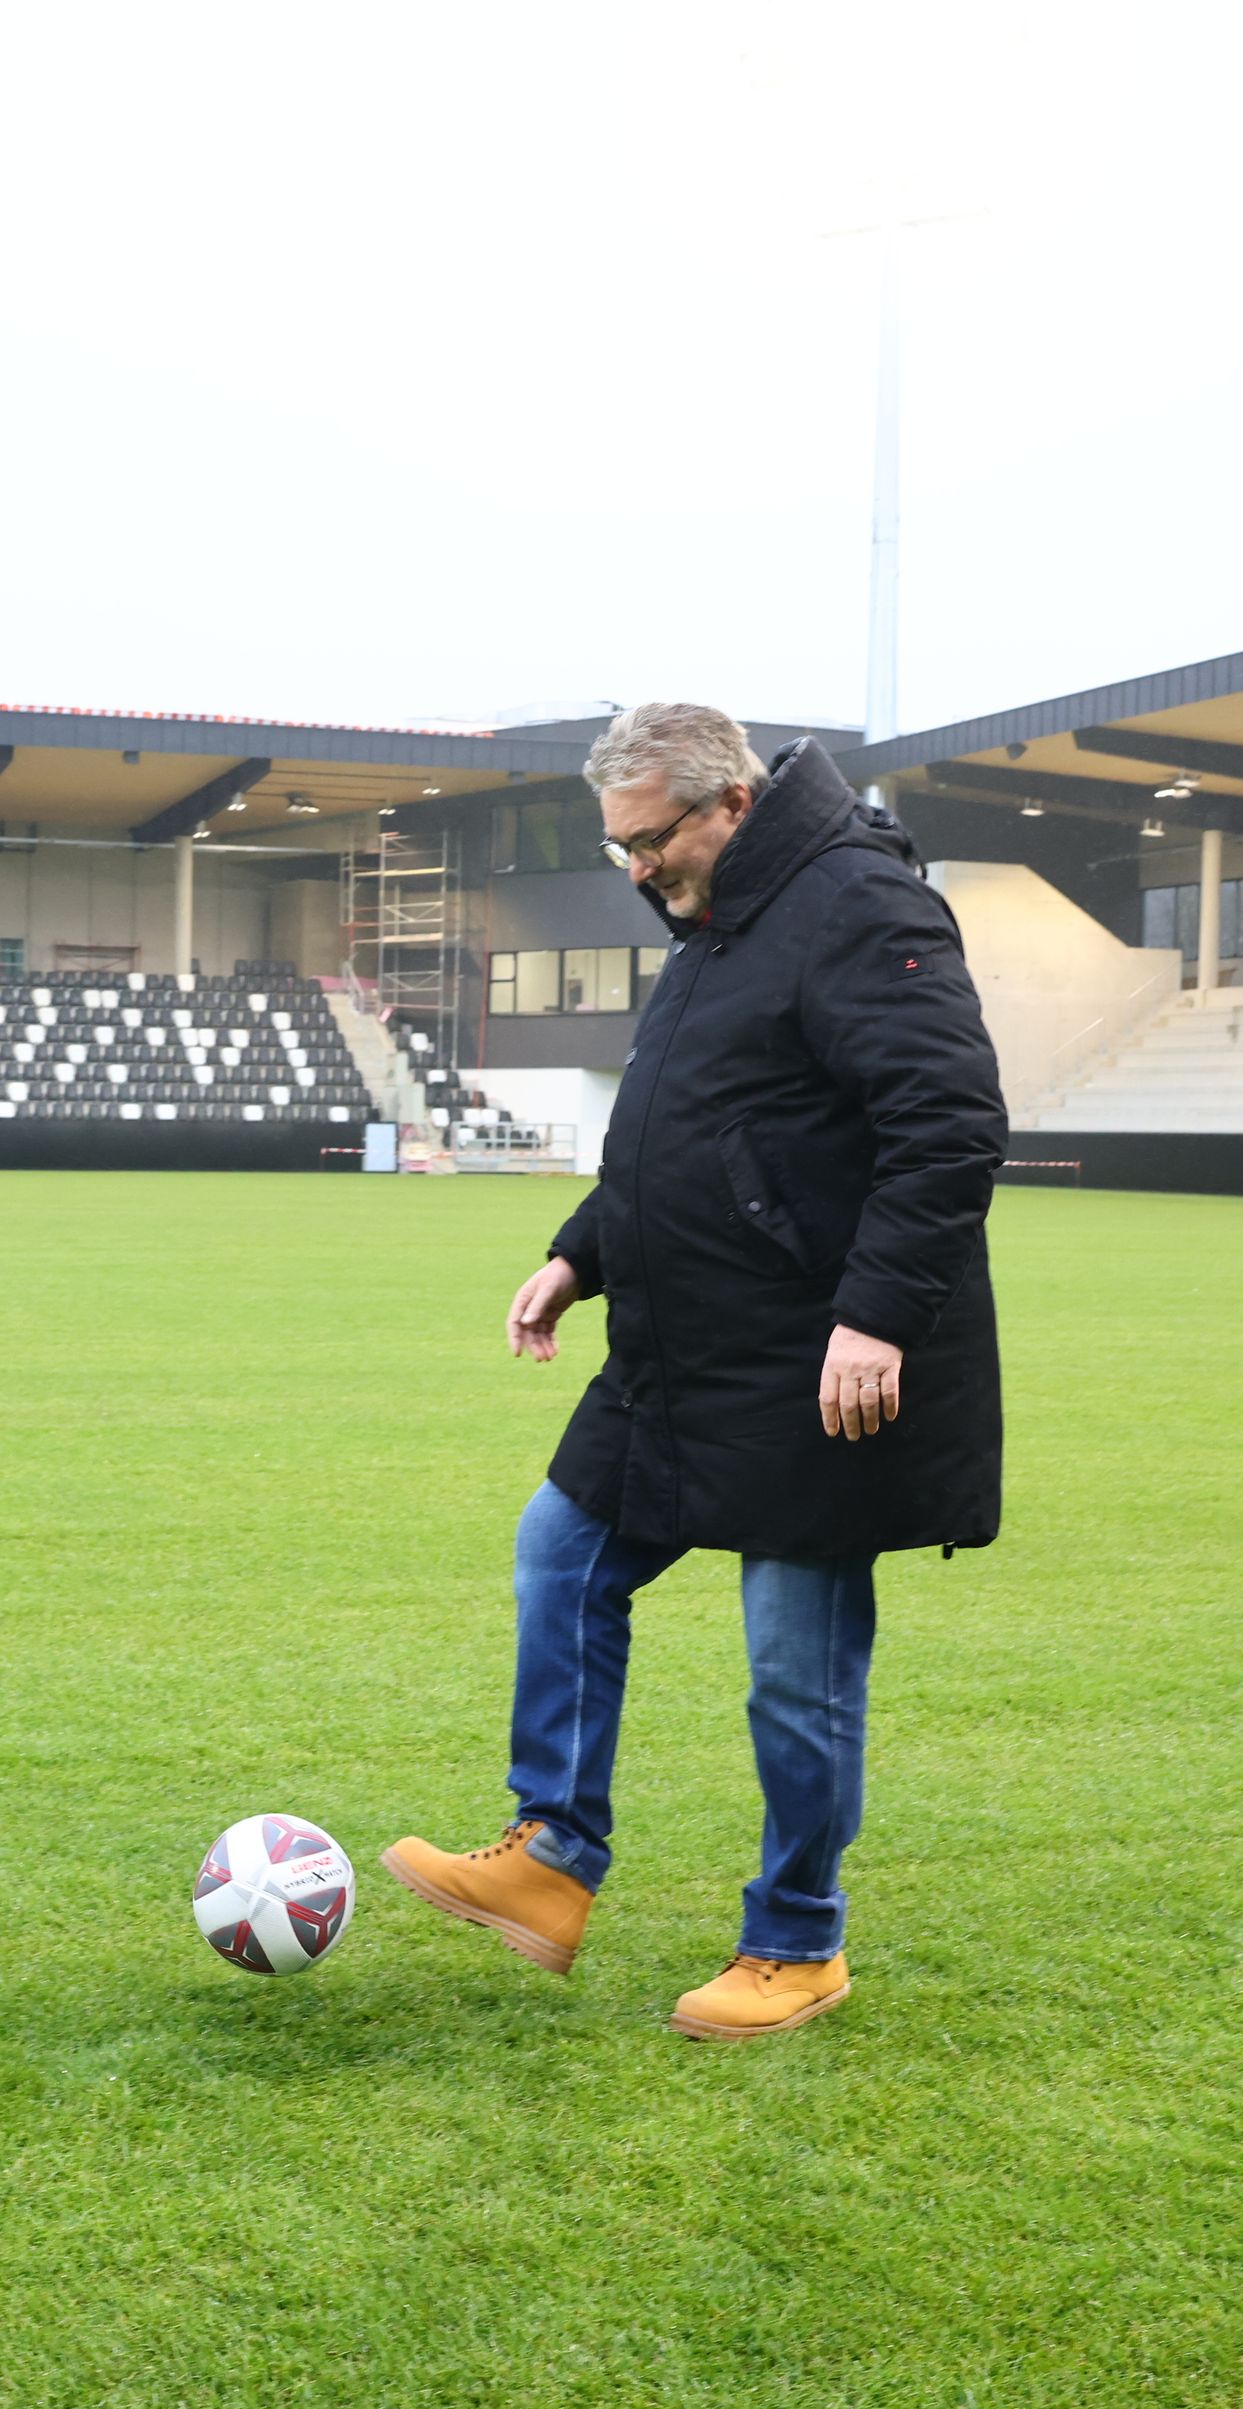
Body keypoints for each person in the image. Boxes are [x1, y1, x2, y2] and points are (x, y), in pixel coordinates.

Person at [384, 702, 1005, 2039]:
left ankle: (797, 1941)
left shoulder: (857, 906)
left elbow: (949, 1126)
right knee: (562, 1550)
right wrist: (579, 1256)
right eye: (618, 849)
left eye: (648, 842)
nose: (636, 871)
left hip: (821, 1360)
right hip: (681, 1352)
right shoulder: (721, 921)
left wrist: (880, 1316)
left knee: (796, 1667)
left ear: (731, 804)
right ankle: (551, 1855)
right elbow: (695, 1134)